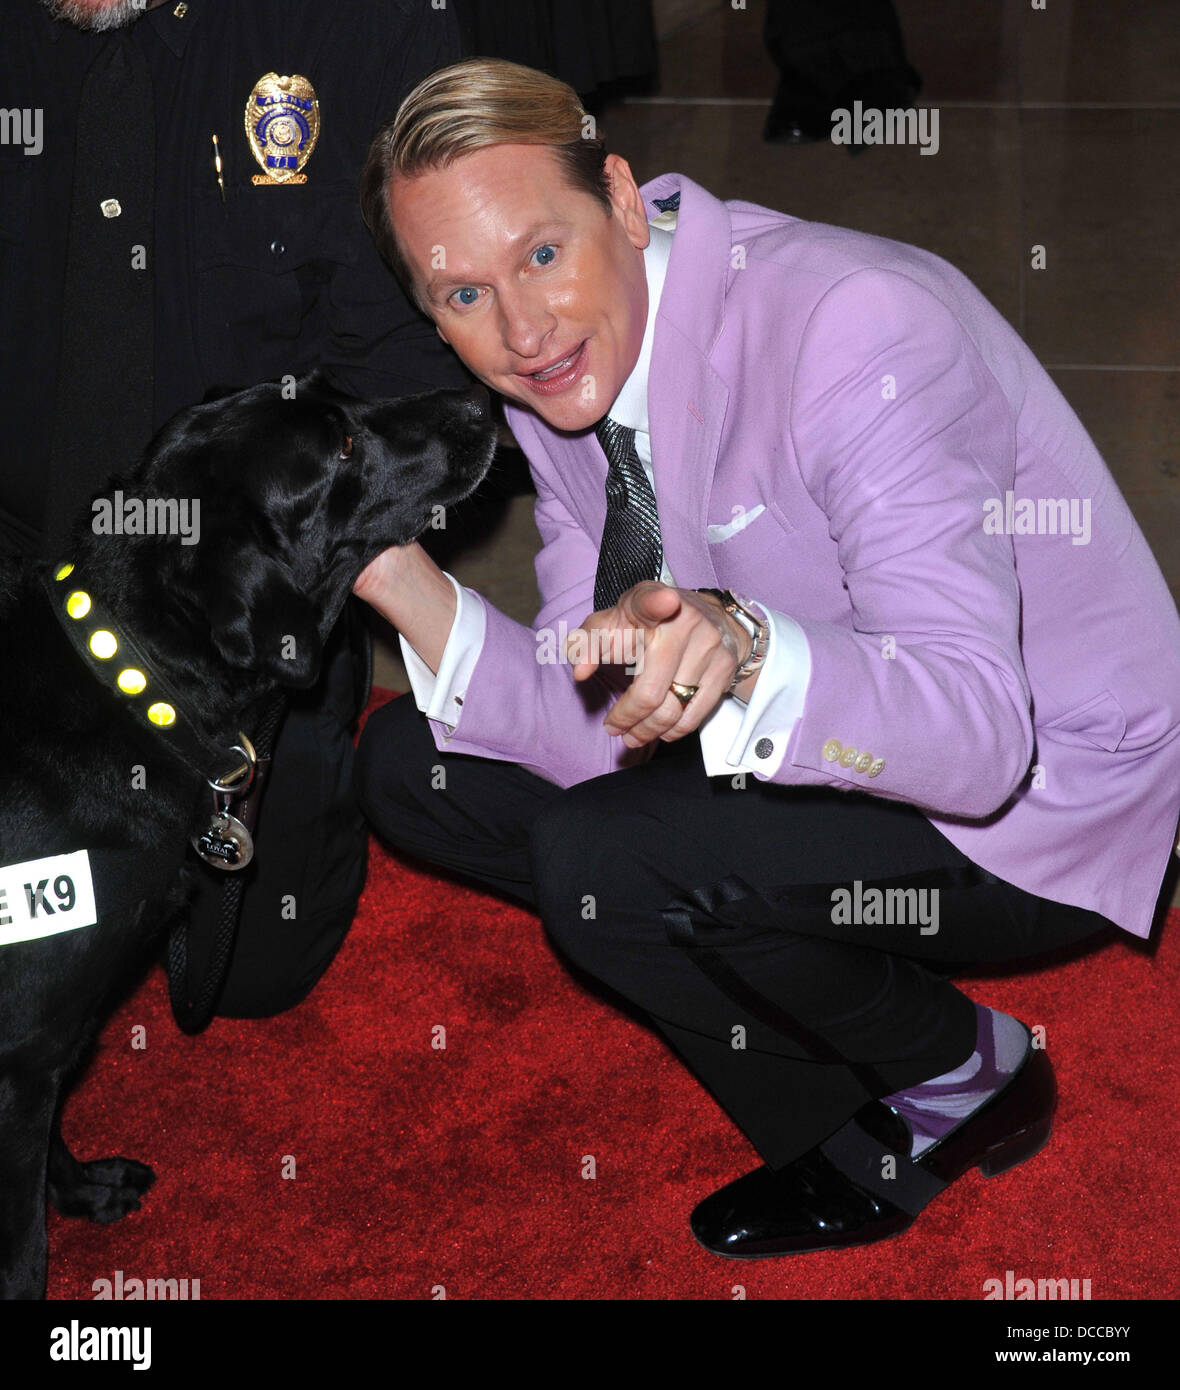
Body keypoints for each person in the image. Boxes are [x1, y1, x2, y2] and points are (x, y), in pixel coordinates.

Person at [351, 57, 1180, 1257]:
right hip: (820, 724)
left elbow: (980, 738)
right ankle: (832, 1085)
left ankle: (962, 1077)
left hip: (1036, 787)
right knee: (412, 774)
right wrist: (409, 590)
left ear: (624, 202)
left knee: (606, 865)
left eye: (540, 254)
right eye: (460, 295)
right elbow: (596, 690)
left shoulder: (856, 326)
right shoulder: (563, 380)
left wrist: (742, 648)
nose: (520, 332)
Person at [0, 0, 468, 1018]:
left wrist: (283, 632)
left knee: (251, 971)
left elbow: (401, 374)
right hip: (10, 563)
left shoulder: (366, 31)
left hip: (235, 601)